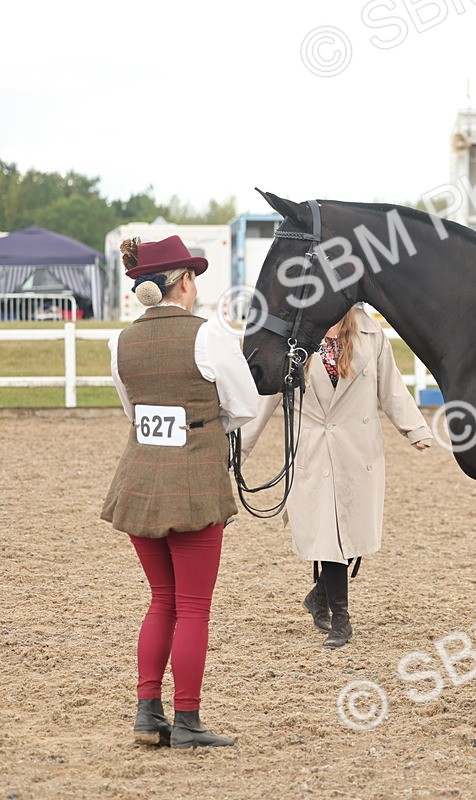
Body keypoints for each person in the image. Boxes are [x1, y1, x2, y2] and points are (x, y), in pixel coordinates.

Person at [101, 235, 259, 749]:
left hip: (139, 482)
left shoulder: (120, 341)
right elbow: (244, 406)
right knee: (193, 607)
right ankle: (188, 721)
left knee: (161, 600)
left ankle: (148, 712)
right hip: (193, 484)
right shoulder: (210, 335)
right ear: (185, 281)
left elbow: (133, 410)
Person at [240, 304, 431, 648]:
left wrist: (414, 428)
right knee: (330, 536)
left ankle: (319, 597)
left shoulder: (370, 333)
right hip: (312, 448)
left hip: (358, 449)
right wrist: (239, 449)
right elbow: (267, 397)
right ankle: (341, 621)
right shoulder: (294, 334)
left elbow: (390, 386)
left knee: (352, 534)